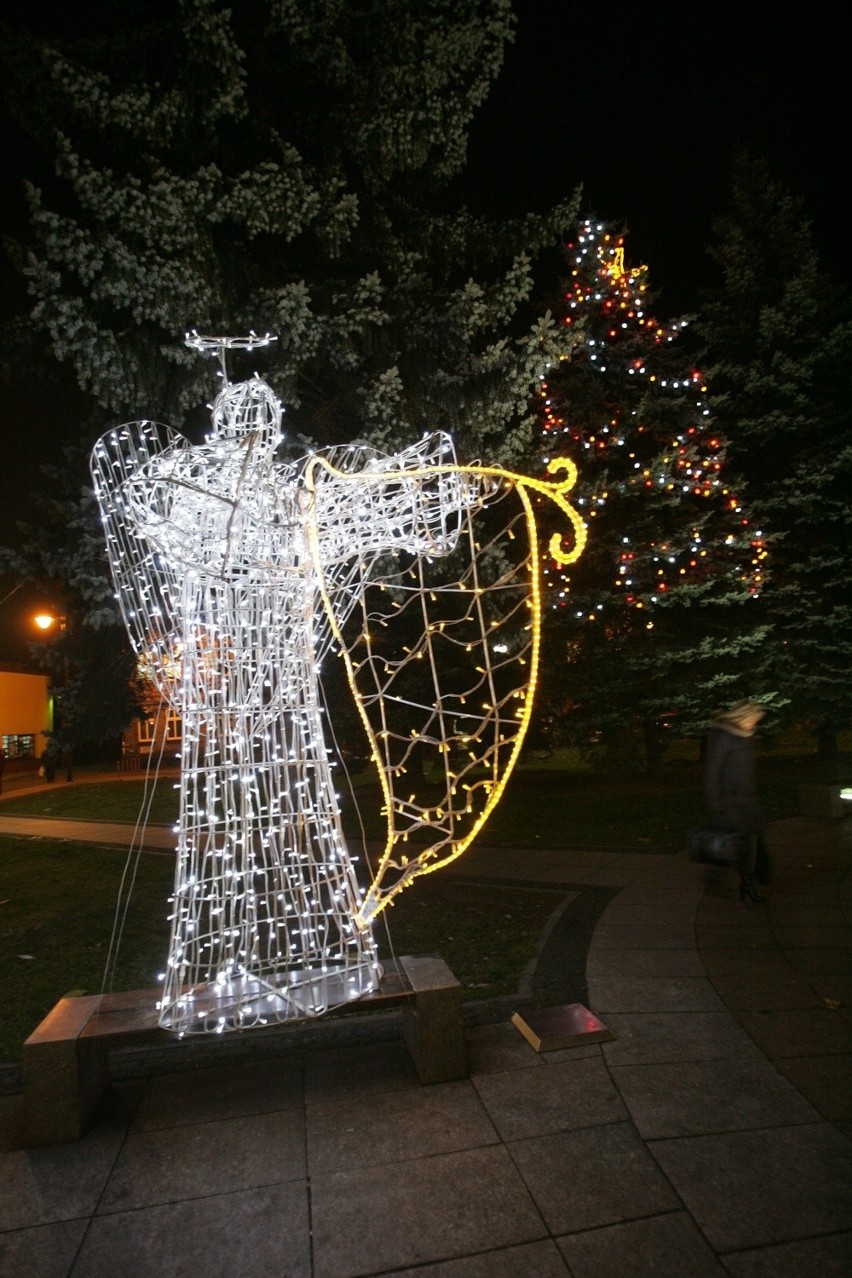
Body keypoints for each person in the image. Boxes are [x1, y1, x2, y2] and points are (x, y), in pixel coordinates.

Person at [703, 699, 768, 902]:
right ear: (742, 717)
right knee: (728, 845)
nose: (754, 724)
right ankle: (721, 879)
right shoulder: (723, 737)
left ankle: (746, 883)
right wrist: (716, 803)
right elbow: (711, 773)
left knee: (751, 843)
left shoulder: (746, 736)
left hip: (747, 801)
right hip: (729, 803)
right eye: (753, 719)